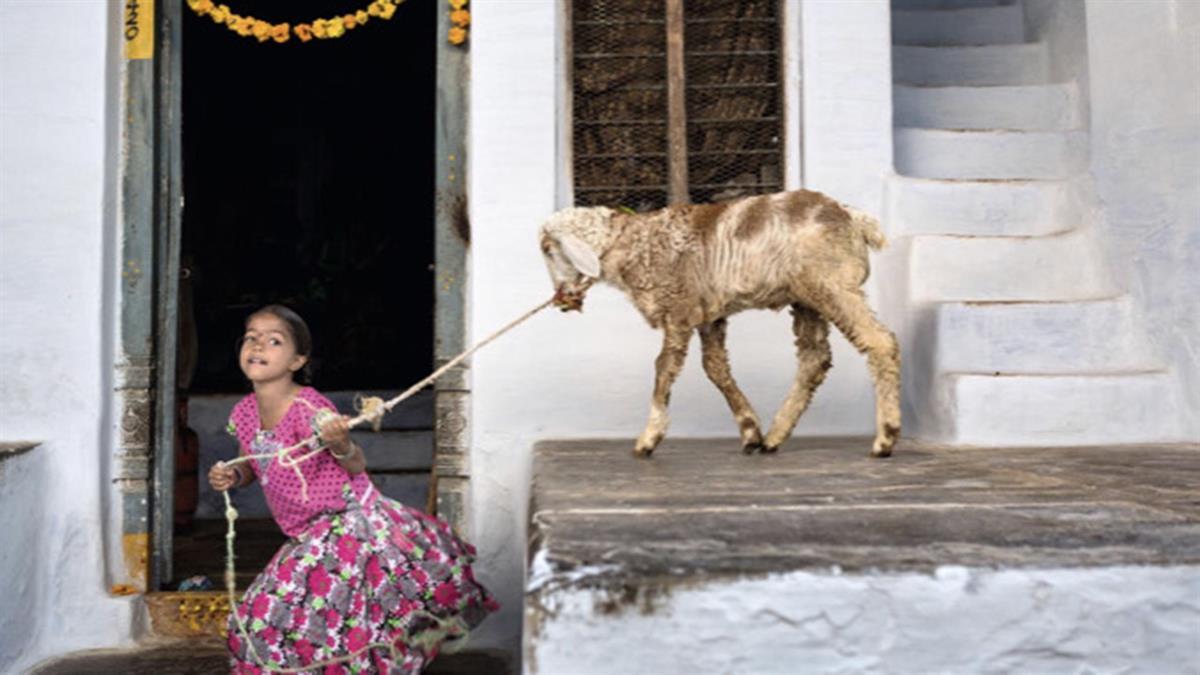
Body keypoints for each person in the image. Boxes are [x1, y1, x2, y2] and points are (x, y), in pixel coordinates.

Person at [209, 304, 497, 673]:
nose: (258, 346)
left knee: (278, 617)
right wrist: (233, 477)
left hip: (347, 524)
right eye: (251, 338)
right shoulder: (244, 412)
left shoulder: (311, 408)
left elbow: (355, 463)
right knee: (276, 621)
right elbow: (249, 461)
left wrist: (340, 443)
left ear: (297, 360)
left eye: (274, 340)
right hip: (305, 533)